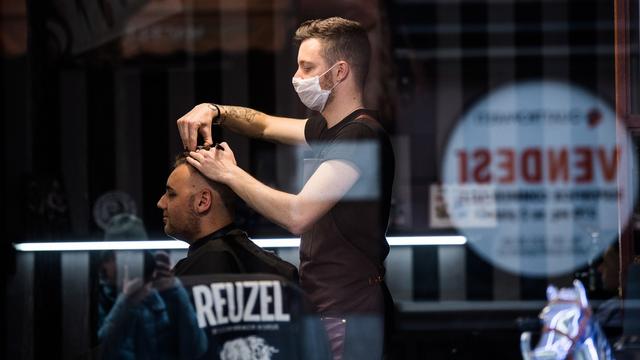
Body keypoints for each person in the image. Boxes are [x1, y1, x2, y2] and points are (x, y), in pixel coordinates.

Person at [176, 17, 395, 359]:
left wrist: (229, 173)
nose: (297, 78)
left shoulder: (359, 137)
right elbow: (263, 125)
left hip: (349, 312)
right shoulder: (328, 129)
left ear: (339, 72)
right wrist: (215, 110)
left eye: (307, 68)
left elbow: (298, 214)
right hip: (327, 307)